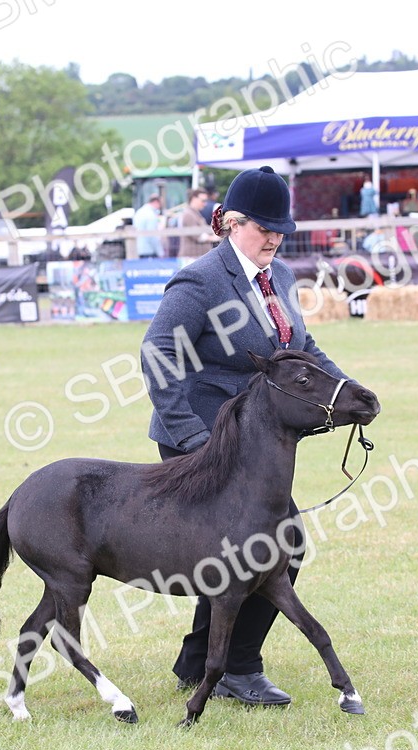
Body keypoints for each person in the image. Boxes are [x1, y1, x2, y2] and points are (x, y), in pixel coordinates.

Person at [141, 165, 364, 707]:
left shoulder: (280, 276)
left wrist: (346, 390)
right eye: (264, 228)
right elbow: (158, 353)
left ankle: (199, 662)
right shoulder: (201, 282)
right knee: (276, 547)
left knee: (243, 551)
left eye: (280, 229)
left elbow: (301, 353)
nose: (274, 238)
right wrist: (192, 438)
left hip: (257, 440)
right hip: (203, 439)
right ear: (230, 223)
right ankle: (237, 668)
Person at [177, 188, 219, 259]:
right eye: (203, 201)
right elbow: (198, 236)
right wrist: (213, 238)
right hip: (190, 259)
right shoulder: (188, 214)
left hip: (195, 258)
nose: (205, 204)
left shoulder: (195, 214)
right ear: (194, 198)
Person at [133, 193, 164, 258]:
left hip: (139, 250)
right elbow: (152, 236)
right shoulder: (151, 215)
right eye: (160, 204)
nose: (160, 207)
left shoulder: (139, 212)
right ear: (156, 202)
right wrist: (160, 252)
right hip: (150, 251)